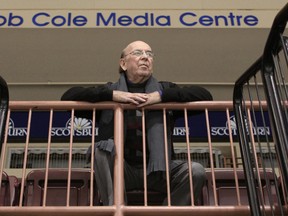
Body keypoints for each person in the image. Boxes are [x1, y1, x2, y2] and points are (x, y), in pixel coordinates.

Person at [61, 40, 213, 206]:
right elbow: (68, 97)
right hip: (122, 170)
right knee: (100, 151)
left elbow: (205, 95)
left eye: (149, 54)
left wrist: (161, 96)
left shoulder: (165, 89)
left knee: (196, 171)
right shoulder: (110, 91)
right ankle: (116, 209)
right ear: (123, 63)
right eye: (138, 53)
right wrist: (113, 96)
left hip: (160, 171)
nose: (145, 57)